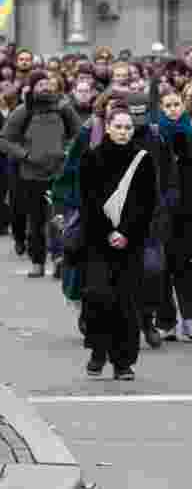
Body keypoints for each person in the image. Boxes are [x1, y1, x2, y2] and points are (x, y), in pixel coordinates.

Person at [80, 102, 158, 380]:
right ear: (108, 128)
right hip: (99, 242)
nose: (124, 132)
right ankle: (98, 351)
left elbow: (146, 203)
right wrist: (108, 232)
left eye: (128, 127)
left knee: (126, 303)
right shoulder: (92, 157)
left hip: (130, 242)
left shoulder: (143, 159)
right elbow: (89, 201)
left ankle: (123, 361)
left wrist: (126, 232)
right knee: (99, 298)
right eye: (118, 127)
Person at [0, 70, 82, 276]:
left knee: (59, 219)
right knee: (36, 221)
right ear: (32, 88)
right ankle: (37, 262)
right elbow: (5, 140)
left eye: (48, 83)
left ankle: (59, 260)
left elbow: (79, 135)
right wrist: (26, 155)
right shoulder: (23, 111)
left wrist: (66, 152)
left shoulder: (64, 109)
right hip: (31, 175)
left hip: (59, 175)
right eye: (40, 84)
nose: (45, 87)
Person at [154, 89, 192, 342]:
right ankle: (166, 321)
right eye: (168, 105)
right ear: (161, 108)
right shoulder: (155, 134)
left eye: (177, 104)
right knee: (162, 266)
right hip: (161, 208)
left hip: (188, 208)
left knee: (186, 265)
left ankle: (189, 318)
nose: (173, 109)